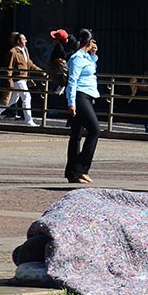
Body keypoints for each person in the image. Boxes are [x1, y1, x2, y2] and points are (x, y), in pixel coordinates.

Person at [65, 29, 100, 184]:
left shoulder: (86, 57)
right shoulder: (77, 58)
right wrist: (71, 103)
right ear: (88, 41)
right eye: (93, 40)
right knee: (94, 129)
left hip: (88, 94)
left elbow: (92, 68)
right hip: (80, 96)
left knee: (76, 135)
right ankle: (80, 168)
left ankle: (72, 172)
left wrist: (93, 55)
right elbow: (72, 81)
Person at [0, 31, 43, 126]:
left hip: (24, 78)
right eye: (23, 39)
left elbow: (29, 63)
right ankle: (28, 120)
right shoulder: (13, 52)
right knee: (27, 97)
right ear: (18, 41)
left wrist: (40, 71)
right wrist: (9, 79)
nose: (26, 41)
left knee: (12, 100)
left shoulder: (25, 50)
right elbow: (9, 67)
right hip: (18, 79)